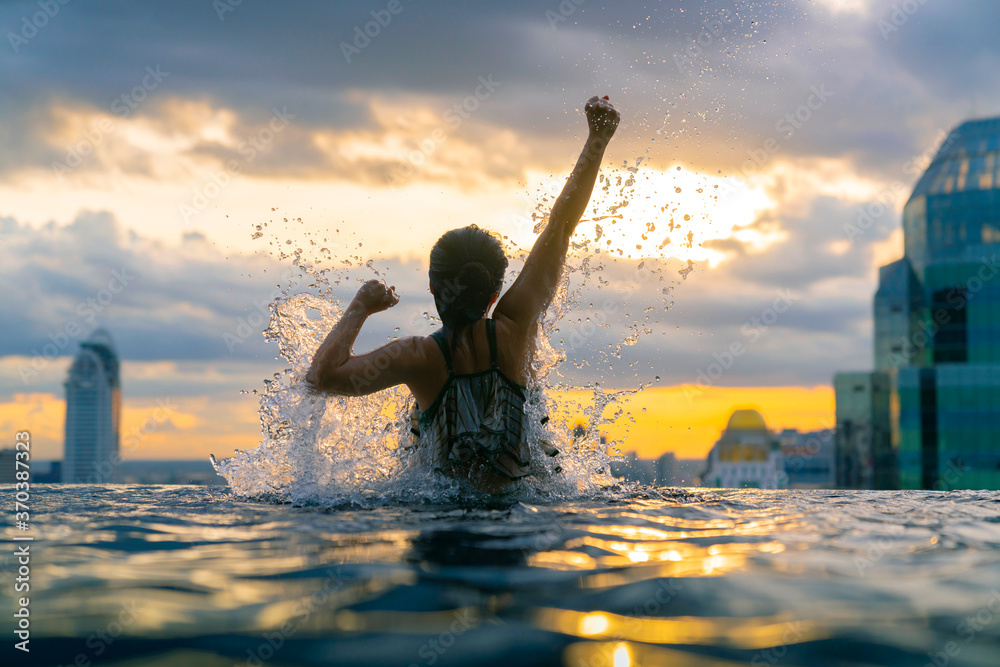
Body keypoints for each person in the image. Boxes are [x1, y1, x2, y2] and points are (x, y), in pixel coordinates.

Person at [306, 95, 620, 492]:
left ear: (433, 287)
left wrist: (360, 307)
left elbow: (321, 378)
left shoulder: (417, 358)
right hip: (517, 525)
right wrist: (598, 138)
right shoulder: (516, 328)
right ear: (494, 294)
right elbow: (560, 226)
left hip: (442, 524)